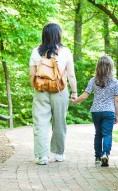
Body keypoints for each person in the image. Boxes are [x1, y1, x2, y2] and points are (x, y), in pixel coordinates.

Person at [29, 23, 77, 165]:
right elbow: (71, 75)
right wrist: (74, 92)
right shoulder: (65, 52)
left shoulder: (35, 51)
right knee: (59, 122)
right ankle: (58, 153)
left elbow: (32, 75)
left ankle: (42, 156)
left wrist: (37, 88)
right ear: (58, 35)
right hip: (60, 91)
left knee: (40, 123)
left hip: (40, 90)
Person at [71, 56, 118, 167]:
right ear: (110, 67)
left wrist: (75, 101)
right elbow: (116, 101)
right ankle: (105, 154)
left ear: (98, 67)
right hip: (109, 111)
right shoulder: (115, 82)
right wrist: (117, 114)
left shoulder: (93, 80)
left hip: (96, 111)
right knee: (107, 134)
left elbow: (84, 96)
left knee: (98, 134)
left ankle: (98, 157)